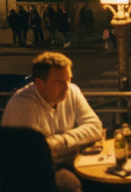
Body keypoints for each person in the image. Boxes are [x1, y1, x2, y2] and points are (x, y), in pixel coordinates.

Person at [2, 52, 102, 192]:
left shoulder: (72, 91)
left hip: (72, 160)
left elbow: (95, 127)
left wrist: (64, 141)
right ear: (39, 83)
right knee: (68, 184)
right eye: (59, 82)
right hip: (34, 174)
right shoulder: (22, 104)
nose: (67, 87)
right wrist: (74, 142)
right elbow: (35, 154)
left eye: (69, 79)